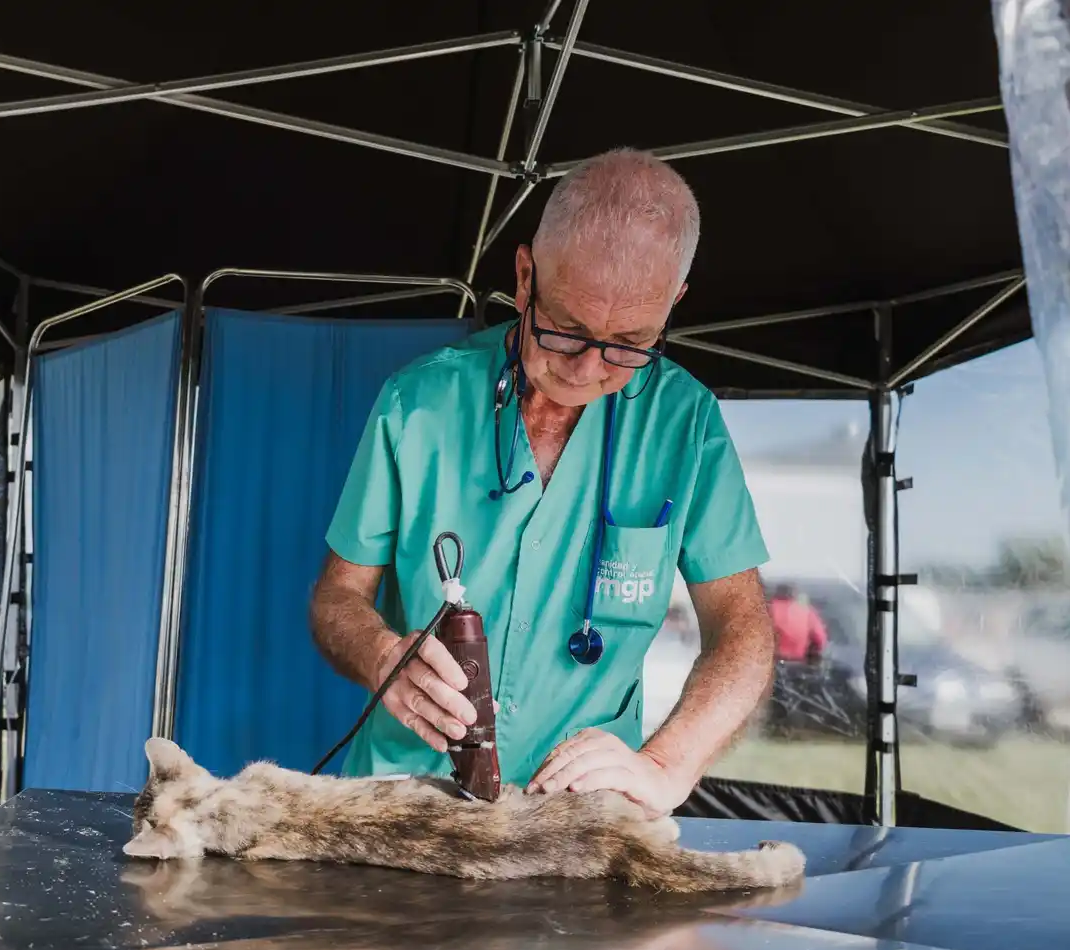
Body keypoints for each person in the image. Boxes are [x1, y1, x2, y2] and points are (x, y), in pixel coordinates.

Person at [308, 148, 775, 819]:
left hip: (578, 818)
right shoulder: (419, 403)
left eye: (630, 343)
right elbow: (335, 598)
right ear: (525, 277)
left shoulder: (687, 422)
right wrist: (382, 655)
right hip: (404, 801)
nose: (589, 370)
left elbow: (744, 630)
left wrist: (667, 765)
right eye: (567, 331)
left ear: (672, 306)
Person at [768, 584, 828, 665]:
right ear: (794, 595)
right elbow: (820, 640)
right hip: (797, 664)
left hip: (767, 664)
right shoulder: (807, 611)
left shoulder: (763, 609)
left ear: (775, 594)